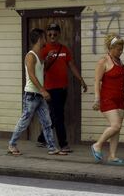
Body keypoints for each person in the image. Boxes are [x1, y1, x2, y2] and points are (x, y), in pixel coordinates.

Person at [8, 28, 67, 156]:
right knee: (24, 121)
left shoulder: (39, 56)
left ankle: (52, 147)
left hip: (39, 96)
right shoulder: (30, 56)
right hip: (31, 95)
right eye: (44, 37)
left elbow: (41, 71)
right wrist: (43, 90)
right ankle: (12, 144)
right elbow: (31, 74)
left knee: (47, 122)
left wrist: (48, 60)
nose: (46, 39)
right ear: (40, 39)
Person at [36, 23, 88, 153]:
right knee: (59, 116)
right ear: (47, 35)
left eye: (55, 34)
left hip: (62, 89)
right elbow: (42, 69)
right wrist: (48, 58)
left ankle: (42, 138)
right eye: (50, 34)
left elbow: (71, 65)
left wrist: (80, 79)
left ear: (59, 34)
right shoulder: (43, 50)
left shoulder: (64, 49)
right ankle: (63, 144)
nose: (52, 36)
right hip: (49, 89)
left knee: (54, 115)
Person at [91, 34, 124, 165]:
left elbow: (123, 79)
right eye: (118, 49)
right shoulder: (103, 61)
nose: (120, 51)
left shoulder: (120, 62)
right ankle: (98, 145)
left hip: (120, 99)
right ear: (110, 48)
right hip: (107, 99)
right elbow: (96, 81)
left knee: (117, 128)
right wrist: (97, 99)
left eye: (122, 49)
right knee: (115, 125)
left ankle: (112, 156)